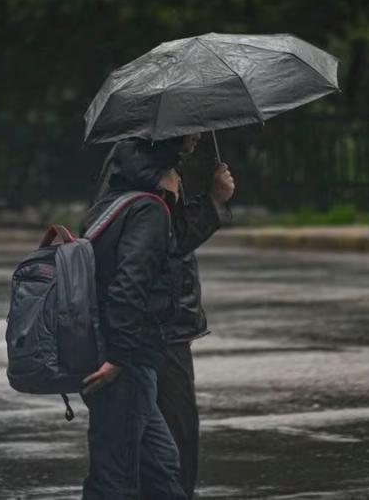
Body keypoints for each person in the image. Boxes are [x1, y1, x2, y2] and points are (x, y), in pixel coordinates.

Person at [89, 133, 235, 499]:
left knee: (157, 457)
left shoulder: (139, 168)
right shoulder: (149, 190)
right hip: (150, 334)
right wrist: (214, 201)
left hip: (143, 335)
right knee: (136, 460)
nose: (198, 134)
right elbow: (140, 269)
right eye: (191, 128)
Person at [80, 139, 188, 500]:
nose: (180, 177)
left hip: (113, 350)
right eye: (176, 167)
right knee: (114, 478)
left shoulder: (112, 204)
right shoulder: (149, 210)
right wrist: (119, 358)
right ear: (163, 167)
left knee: (160, 464)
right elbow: (129, 286)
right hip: (127, 360)